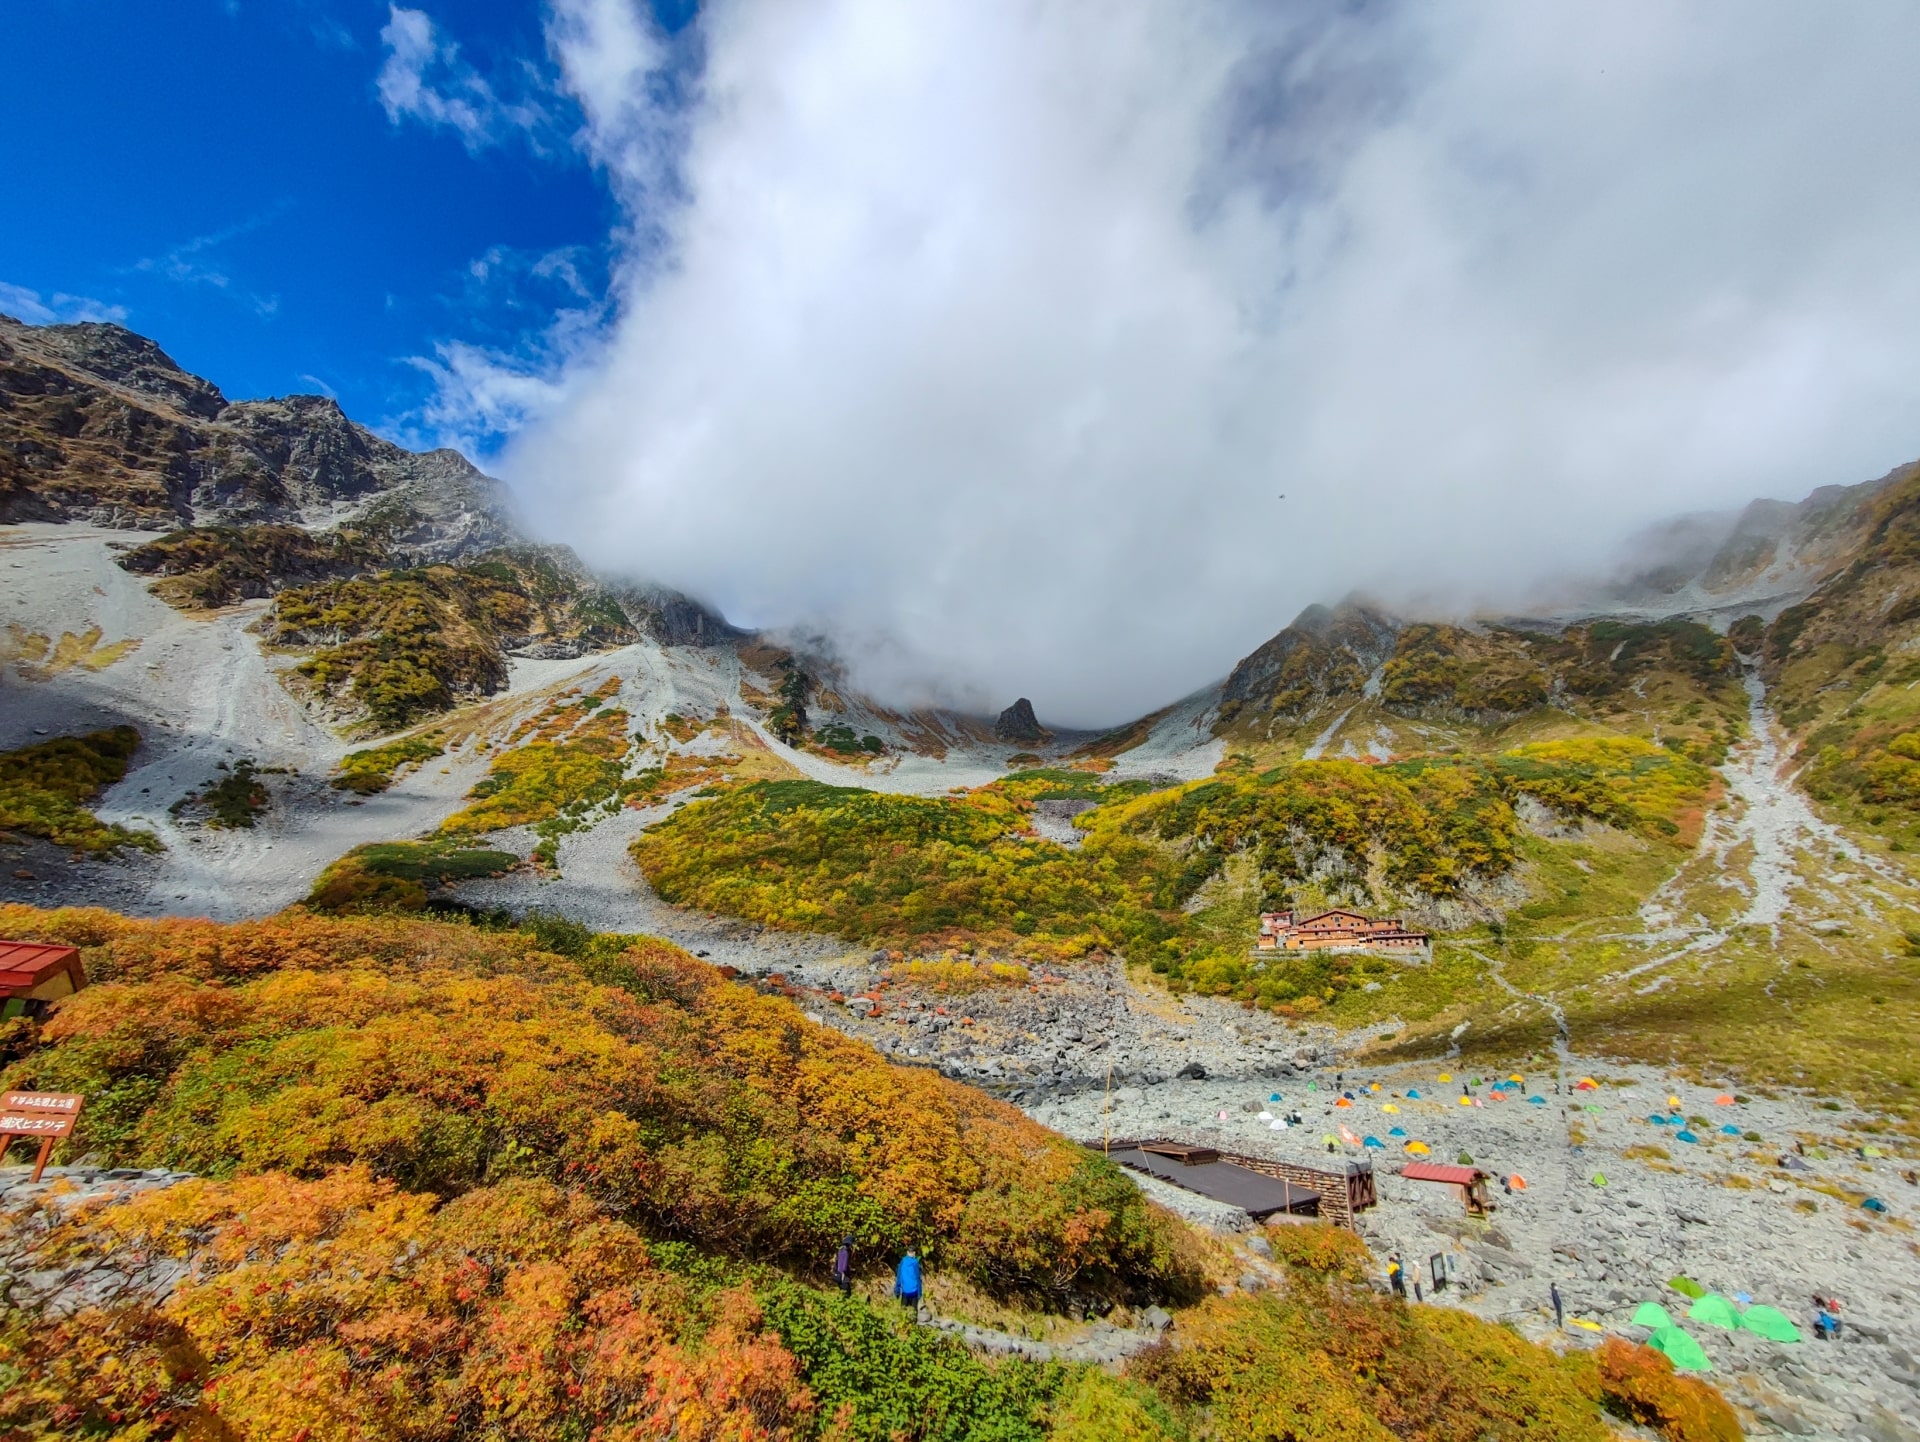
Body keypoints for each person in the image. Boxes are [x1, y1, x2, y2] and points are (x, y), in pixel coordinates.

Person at [894, 1249, 923, 1320]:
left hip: (905, 1292)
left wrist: (897, 1291)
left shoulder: (903, 1262)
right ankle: (913, 1327)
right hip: (914, 1292)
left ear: (907, 1253)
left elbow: (899, 1277)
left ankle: (902, 1328)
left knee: (903, 1313)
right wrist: (920, 1293)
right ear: (914, 1253)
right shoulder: (915, 1262)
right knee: (913, 1314)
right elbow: (918, 1278)